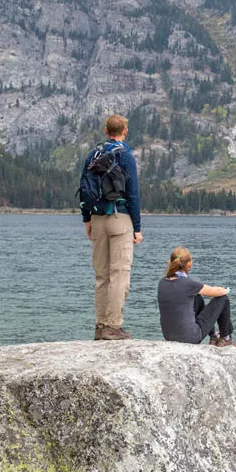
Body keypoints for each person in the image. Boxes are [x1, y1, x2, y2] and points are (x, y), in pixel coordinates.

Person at [81, 114, 142, 340]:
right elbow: (133, 193)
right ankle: (113, 326)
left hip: (97, 219)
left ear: (106, 131)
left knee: (102, 276)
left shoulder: (92, 155)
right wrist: (137, 227)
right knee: (119, 275)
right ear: (124, 132)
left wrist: (87, 219)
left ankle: (100, 326)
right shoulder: (125, 155)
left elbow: (83, 187)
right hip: (120, 218)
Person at [157, 247, 236, 347]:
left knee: (197, 297)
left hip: (168, 336)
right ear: (189, 264)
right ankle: (226, 338)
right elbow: (215, 292)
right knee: (223, 299)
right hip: (190, 338)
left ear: (170, 262)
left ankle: (214, 335)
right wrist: (226, 289)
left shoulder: (162, 282)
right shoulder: (189, 284)